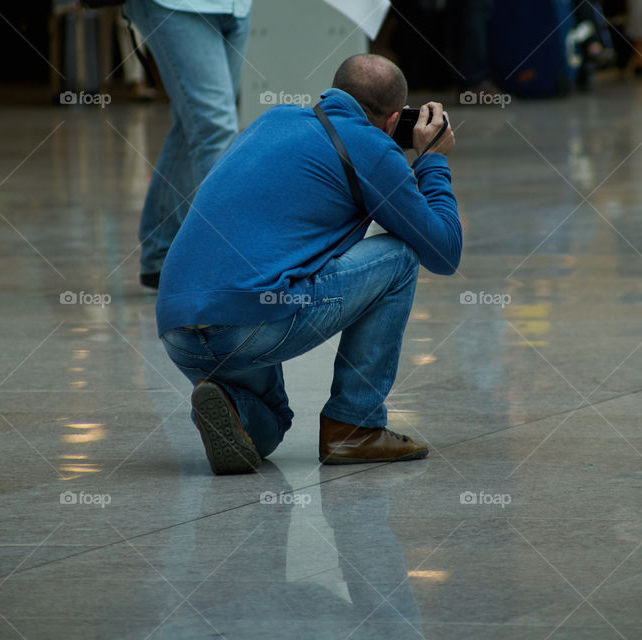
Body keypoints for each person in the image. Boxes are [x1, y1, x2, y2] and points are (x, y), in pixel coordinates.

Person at [155, 54, 461, 475]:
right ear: (394, 121)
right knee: (401, 258)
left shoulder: (274, 119)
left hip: (178, 326)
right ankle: (355, 426)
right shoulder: (372, 147)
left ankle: (231, 408)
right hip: (249, 324)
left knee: (272, 425)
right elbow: (444, 252)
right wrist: (432, 159)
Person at [123, 0, 252, 289]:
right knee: (215, 127)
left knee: (192, 125)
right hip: (176, 5)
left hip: (236, 6)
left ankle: (161, 250)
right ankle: (222, 264)